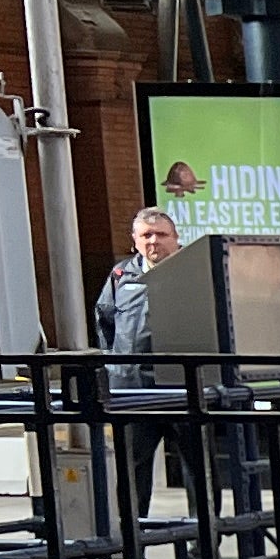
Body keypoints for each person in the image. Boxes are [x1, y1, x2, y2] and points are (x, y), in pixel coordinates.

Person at [93, 206, 199, 519]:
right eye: (146, 235)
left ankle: (202, 540)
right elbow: (105, 322)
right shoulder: (121, 276)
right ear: (135, 241)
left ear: (176, 238)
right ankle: (134, 543)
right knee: (132, 469)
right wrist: (117, 368)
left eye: (162, 234)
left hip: (183, 387)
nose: (154, 241)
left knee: (197, 468)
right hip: (134, 390)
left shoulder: (194, 272)